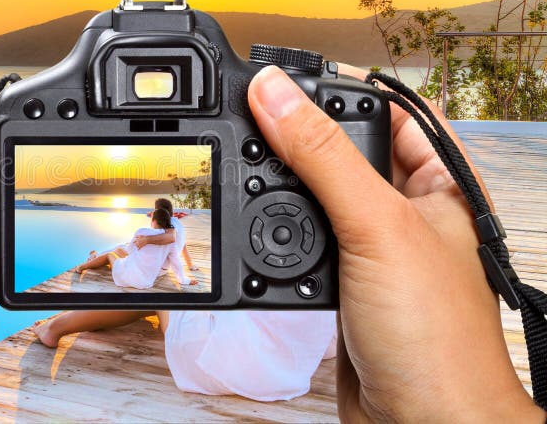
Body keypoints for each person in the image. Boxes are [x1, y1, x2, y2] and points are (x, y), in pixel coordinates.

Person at [35, 62, 544, 419]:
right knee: (180, 297)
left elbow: (161, 255)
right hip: (291, 370)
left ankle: (57, 325)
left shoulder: (169, 231)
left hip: (228, 361)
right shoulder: (347, 248)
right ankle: (86, 308)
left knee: (163, 302)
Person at [73, 208, 196, 289]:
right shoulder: (171, 242)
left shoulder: (143, 232)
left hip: (131, 278)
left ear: (153, 220)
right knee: (118, 252)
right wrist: (184, 280)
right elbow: (176, 263)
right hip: (147, 281)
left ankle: (81, 267)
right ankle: (95, 257)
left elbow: (130, 250)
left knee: (110, 255)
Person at [134, 198, 198, 285]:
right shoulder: (178, 223)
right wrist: (190, 264)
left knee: (120, 253)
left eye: (155, 210)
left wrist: (146, 239)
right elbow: (183, 246)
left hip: (156, 269)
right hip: (163, 268)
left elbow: (171, 238)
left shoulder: (165, 228)